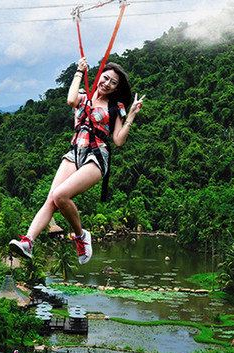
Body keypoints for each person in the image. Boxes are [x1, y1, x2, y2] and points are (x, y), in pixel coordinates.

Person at [10, 58, 144, 264]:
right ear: (99, 76)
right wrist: (79, 71)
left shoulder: (115, 107)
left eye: (113, 82)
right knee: (51, 199)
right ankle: (28, 242)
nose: (107, 83)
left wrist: (131, 116)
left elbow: (118, 141)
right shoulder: (83, 96)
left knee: (61, 194)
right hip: (75, 150)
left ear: (117, 87)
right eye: (105, 78)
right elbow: (71, 101)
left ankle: (81, 236)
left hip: (97, 154)